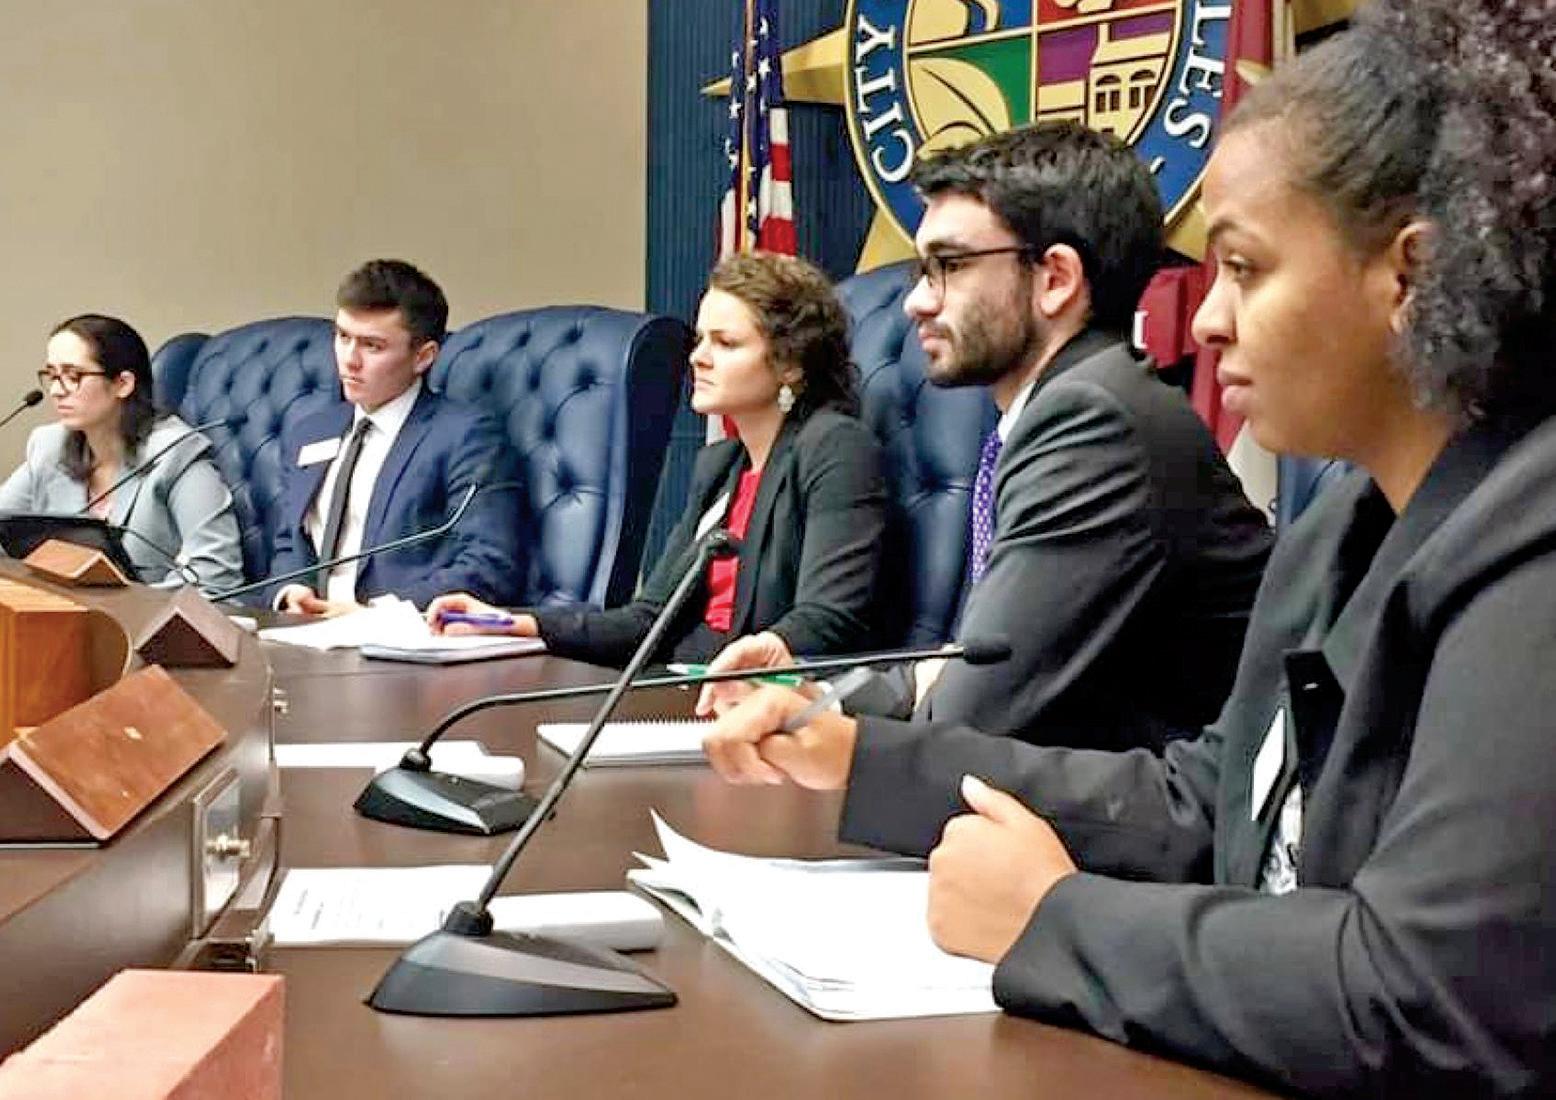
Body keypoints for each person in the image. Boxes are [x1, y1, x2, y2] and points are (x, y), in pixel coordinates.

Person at [704, 0, 1556, 1092]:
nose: (1204, 320)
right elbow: (1207, 804)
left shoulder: (1532, 542)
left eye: (1243, 268)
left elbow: (1435, 995)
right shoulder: (1340, 523)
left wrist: (1054, 919)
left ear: (1411, 278)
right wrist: (862, 758)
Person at [699, 124, 1272, 752]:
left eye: (949, 266)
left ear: (1055, 278)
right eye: (922, 270)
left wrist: (823, 722)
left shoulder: (1094, 423)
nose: (917, 301)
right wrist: (808, 691)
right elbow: (968, 664)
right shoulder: (1069, 404)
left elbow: (965, 714)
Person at [429, 252, 887, 666]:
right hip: (682, 679)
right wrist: (511, 623)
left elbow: (827, 618)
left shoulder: (834, 447)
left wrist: (743, 662)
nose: (698, 358)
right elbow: (648, 618)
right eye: (700, 339)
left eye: (726, 343)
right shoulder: (721, 466)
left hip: (758, 699)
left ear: (791, 364)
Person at [267, 259, 525, 615]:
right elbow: (289, 543)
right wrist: (290, 592)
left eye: (372, 346)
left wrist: (374, 614)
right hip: (303, 631)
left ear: (423, 357)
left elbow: (489, 564)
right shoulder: (310, 432)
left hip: (396, 633)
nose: (349, 360)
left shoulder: (466, 436)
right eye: (343, 337)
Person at [0, 314, 243, 593]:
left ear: (123, 384)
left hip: (153, 616)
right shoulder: (50, 446)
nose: (56, 391)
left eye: (73, 376)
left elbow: (216, 576)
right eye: (52, 376)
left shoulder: (177, 454)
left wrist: (126, 605)